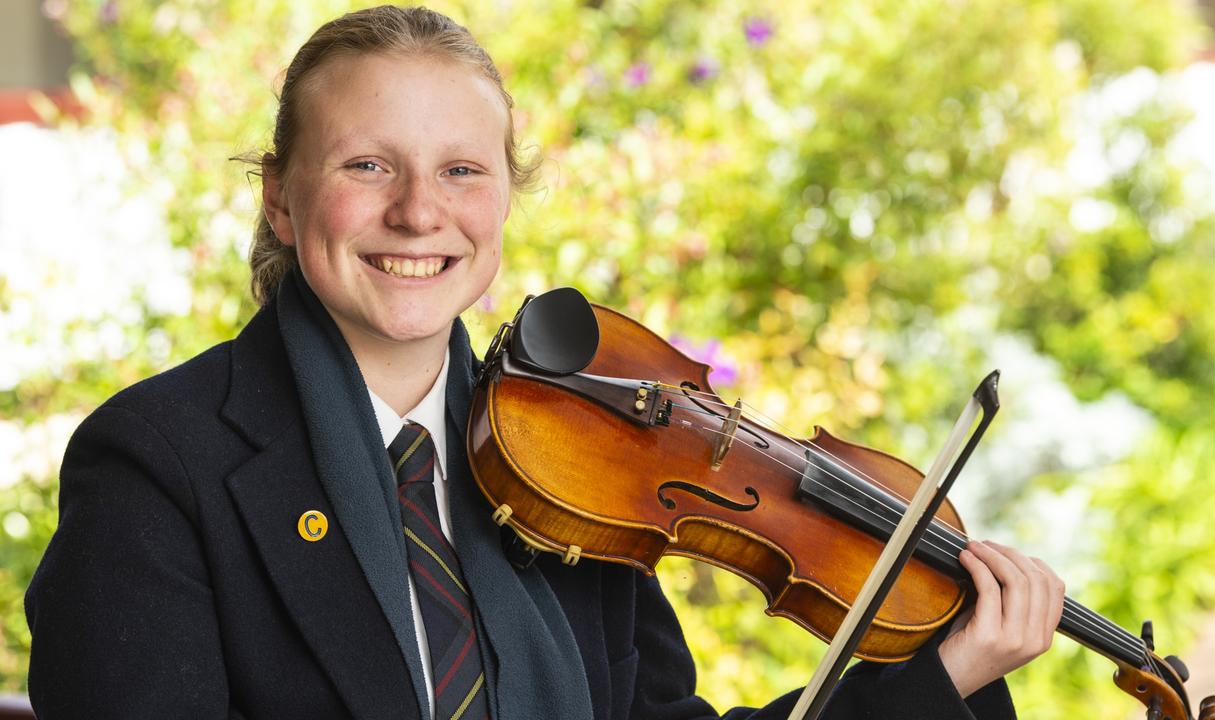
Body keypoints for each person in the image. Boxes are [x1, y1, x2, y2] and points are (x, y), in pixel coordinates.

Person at [25, 6, 1065, 719]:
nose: (418, 212)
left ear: (504, 201)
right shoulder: (156, 464)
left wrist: (948, 673)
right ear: (280, 198)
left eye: (462, 170)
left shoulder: (576, 457)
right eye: (366, 164)